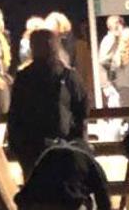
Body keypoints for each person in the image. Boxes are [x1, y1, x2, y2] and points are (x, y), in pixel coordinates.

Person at [7, 29, 89, 178]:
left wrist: (18, 146)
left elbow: (15, 114)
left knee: (37, 192)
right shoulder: (68, 75)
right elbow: (82, 110)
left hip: (33, 147)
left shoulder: (24, 77)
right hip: (62, 145)